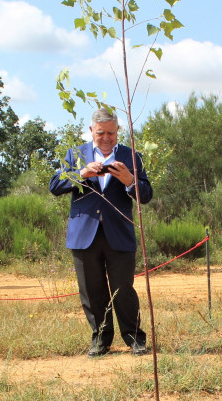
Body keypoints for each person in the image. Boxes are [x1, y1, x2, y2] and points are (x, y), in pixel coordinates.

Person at [49, 107, 152, 357]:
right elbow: (54, 186)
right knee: (91, 291)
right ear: (91, 131)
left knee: (123, 289)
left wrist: (129, 180)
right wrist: (80, 173)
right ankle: (100, 340)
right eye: (101, 133)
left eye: (111, 133)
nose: (106, 137)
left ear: (118, 131)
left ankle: (135, 339)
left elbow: (146, 195)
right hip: (84, 235)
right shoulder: (75, 155)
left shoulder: (131, 156)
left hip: (119, 234)